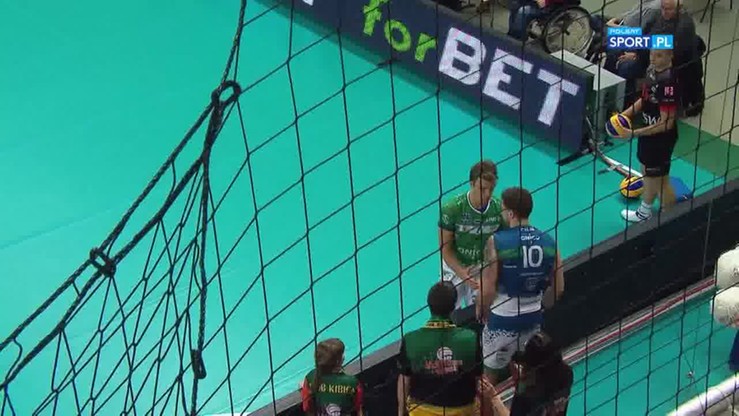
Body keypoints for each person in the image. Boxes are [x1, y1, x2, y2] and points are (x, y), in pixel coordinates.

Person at [477, 187, 565, 385]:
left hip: (502, 320)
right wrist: (540, 306)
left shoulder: (496, 241)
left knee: (489, 379)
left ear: (510, 213)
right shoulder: (550, 242)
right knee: (531, 373)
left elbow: (488, 288)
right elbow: (559, 288)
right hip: (533, 320)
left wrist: (482, 310)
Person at [610, 47, 679, 222]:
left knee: (657, 180)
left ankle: (650, 213)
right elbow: (644, 98)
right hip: (648, 133)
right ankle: (664, 213)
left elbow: (666, 123)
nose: (653, 59)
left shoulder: (668, 83)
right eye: (651, 54)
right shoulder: (651, 70)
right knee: (651, 175)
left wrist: (633, 133)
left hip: (661, 139)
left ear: (670, 56)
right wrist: (624, 115)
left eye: (659, 55)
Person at [397, 281, 482, 416]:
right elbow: (478, 379)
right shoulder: (470, 338)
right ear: (454, 307)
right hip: (462, 410)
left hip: (421, 412)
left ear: (429, 305)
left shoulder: (410, 340)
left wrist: (401, 412)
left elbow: (404, 380)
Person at [603, 0, 696, 109]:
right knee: (611, 44)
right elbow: (644, 33)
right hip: (644, 47)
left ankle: (624, 106)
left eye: (668, 9)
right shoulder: (659, 13)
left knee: (625, 67)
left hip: (659, 60)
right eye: (663, 8)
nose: (664, 12)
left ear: (678, 9)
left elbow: (665, 48)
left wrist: (636, 54)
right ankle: (607, 93)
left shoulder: (683, 27)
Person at [439, 160, 505, 311]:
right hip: (454, 267)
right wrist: (462, 273)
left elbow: (503, 248)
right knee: (446, 312)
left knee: (481, 314)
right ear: (471, 184)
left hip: (482, 269)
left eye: (491, 189)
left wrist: (491, 275)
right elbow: (445, 249)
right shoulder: (452, 209)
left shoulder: (499, 210)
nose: (487, 194)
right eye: (482, 189)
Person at [479, 331, 574, 415]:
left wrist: (492, 399)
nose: (523, 371)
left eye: (526, 368)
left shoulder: (526, 399)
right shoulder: (566, 374)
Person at [300, 338, 364, 416]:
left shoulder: (310, 377)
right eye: (342, 354)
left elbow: (307, 408)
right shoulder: (352, 382)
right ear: (338, 361)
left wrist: (304, 389)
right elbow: (358, 408)